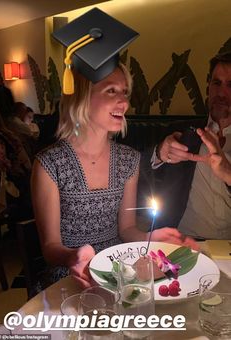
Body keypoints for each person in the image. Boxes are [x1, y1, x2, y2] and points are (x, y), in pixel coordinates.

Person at [31, 8, 198, 289]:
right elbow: (50, 247)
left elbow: (126, 229)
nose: (124, 102)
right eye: (111, 91)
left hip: (118, 273)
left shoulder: (129, 160)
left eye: (125, 92)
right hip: (72, 278)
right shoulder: (49, 164)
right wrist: (75, 256)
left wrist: (152, 236)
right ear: (83, 97)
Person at [147, 52, 231, 240]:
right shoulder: (184, 133)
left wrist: (228, 173)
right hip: (183, 242)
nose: (221, 93)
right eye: (216, 83)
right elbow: (140, 169)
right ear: (208, 86)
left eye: (230, 85)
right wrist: (160, 152)